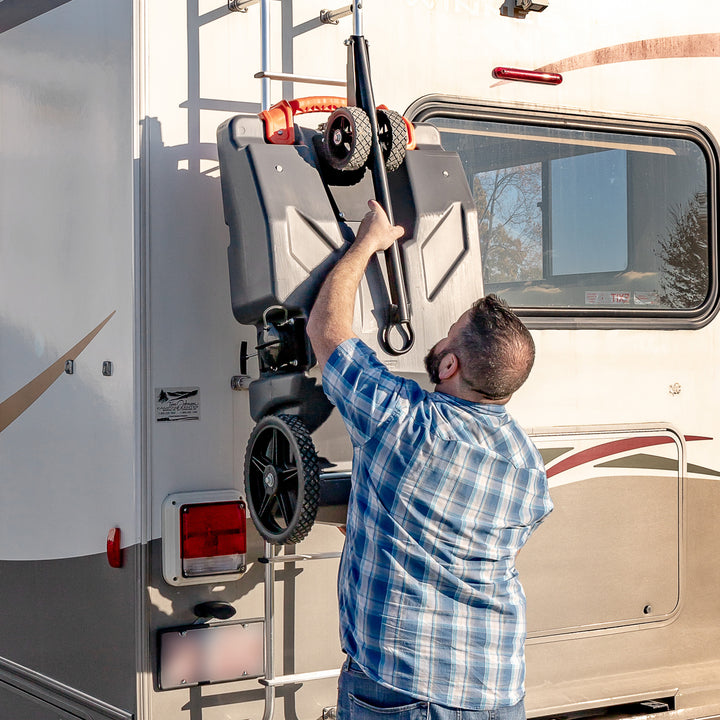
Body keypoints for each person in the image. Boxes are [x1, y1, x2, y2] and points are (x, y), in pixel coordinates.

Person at [306, 200, 553, 720]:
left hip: (404, 689)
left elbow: (327, 334)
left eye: (451, 330)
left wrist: (366, 244)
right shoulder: (528, 468)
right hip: (497, 691)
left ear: (448, 362)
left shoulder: (402, 422)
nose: (441, 335)